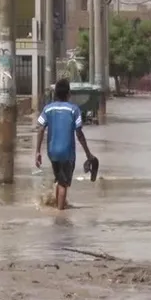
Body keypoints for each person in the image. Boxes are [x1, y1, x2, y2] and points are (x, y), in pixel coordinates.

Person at [35, 79, 95, 210]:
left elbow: (40, 128)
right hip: (67, 153)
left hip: (52, 152)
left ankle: (58, 206)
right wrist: (88, 154)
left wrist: (38, 151)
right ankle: (60, 216)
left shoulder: (48, 109)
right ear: (69, 93)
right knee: (63, 183)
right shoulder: (74, 110)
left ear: (55, 93)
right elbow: (79, 133)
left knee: (59, 180)